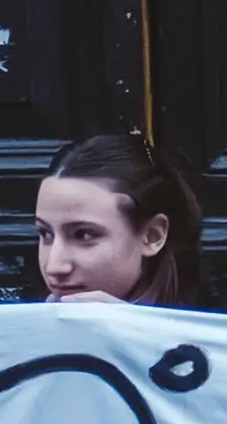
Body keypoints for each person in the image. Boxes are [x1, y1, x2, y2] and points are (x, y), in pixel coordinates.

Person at [34, 131, 205, 305]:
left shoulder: (214, 330)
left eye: (83, 235)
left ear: (152, 236)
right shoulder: (27, 328)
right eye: (45, 234)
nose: (54, 267)